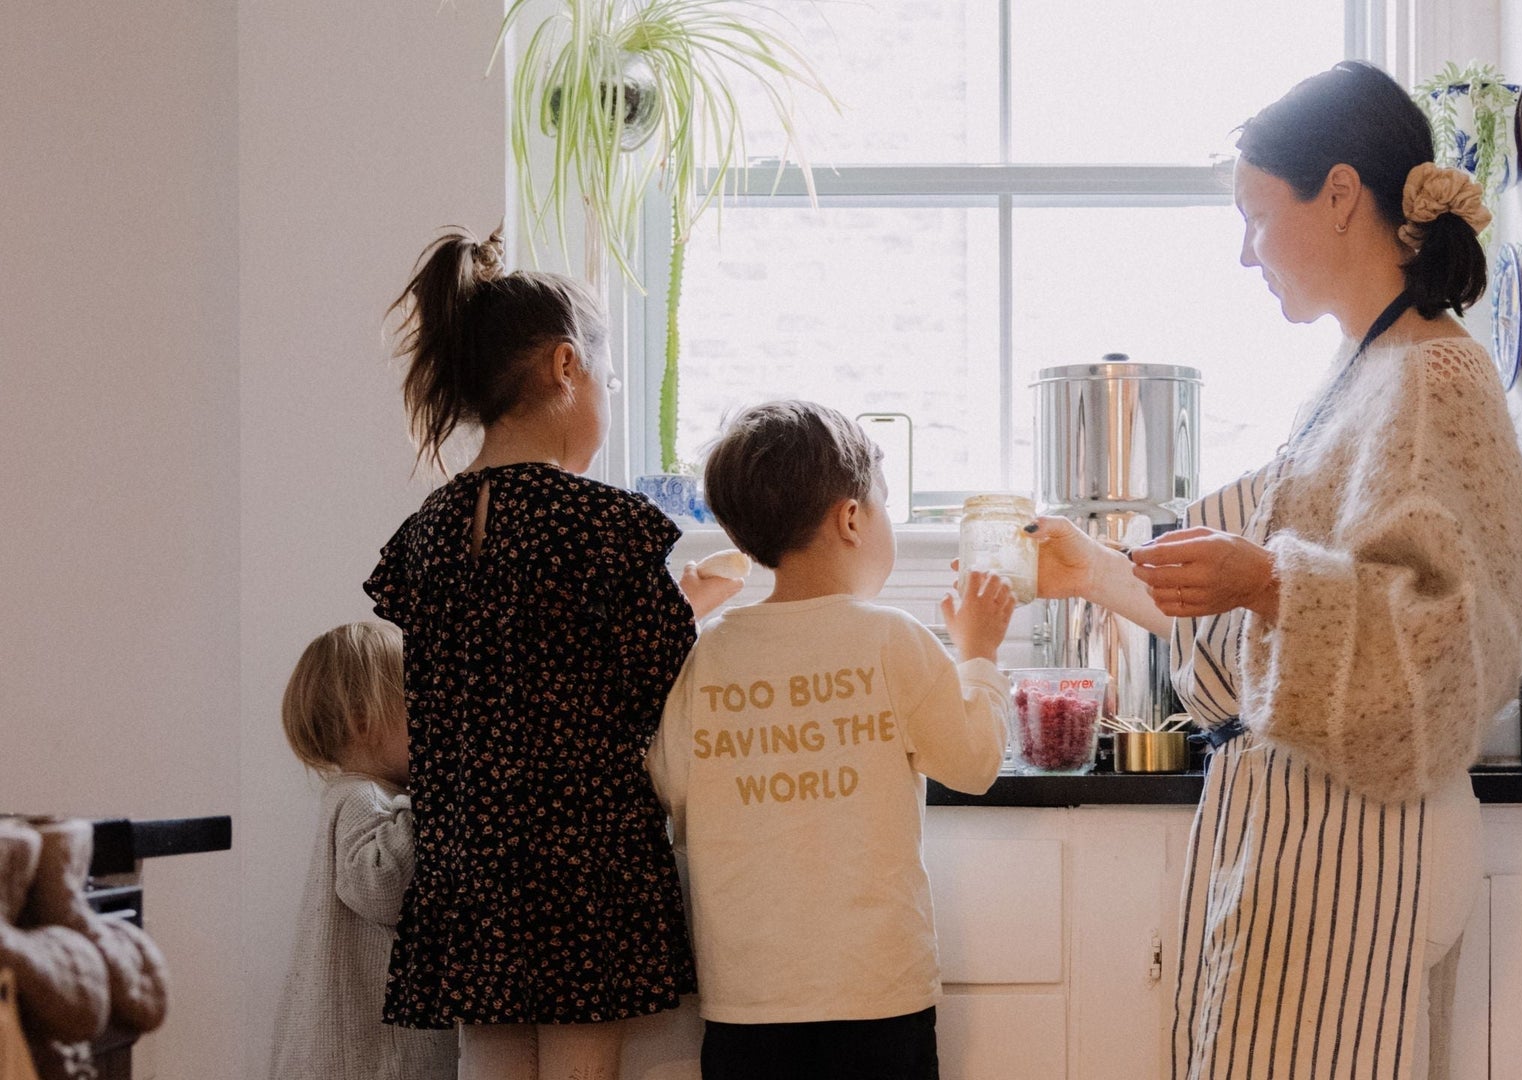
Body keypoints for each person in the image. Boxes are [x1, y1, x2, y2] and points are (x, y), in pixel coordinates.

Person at [1027, 61, 1522, 1080]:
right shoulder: (1357, 384)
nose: (1245, 254)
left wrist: (1265, 582)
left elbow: (1447, 647)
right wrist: (1085, 564)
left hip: (1366, 844)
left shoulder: (1437, 382)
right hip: (1311, 833)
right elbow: (1225, 593)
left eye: (1257, 217)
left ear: (1340, 194)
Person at [364, 227, 742, 1079]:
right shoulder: (603, 525)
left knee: (489, 1066)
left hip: (468, 862)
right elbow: (660, 681)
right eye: (607, 379)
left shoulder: (426, 534)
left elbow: (501, 659)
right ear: (566, 368)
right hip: (582, 865)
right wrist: (690, 611)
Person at [648, 400, 1015, 1080]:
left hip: (746, 1001)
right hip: (875, 994)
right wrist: (980, 654)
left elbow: (672, 793)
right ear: (851, 518)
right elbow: (972, 763)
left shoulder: (708, 656)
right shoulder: (891, 638)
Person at [267, 621, 457, 1080]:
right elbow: (382, 889)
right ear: (363, 718)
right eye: (420, 706)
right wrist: (432, 797)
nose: (437, 720)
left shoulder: (359, 795)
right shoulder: (362, 799)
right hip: (366, 1058)